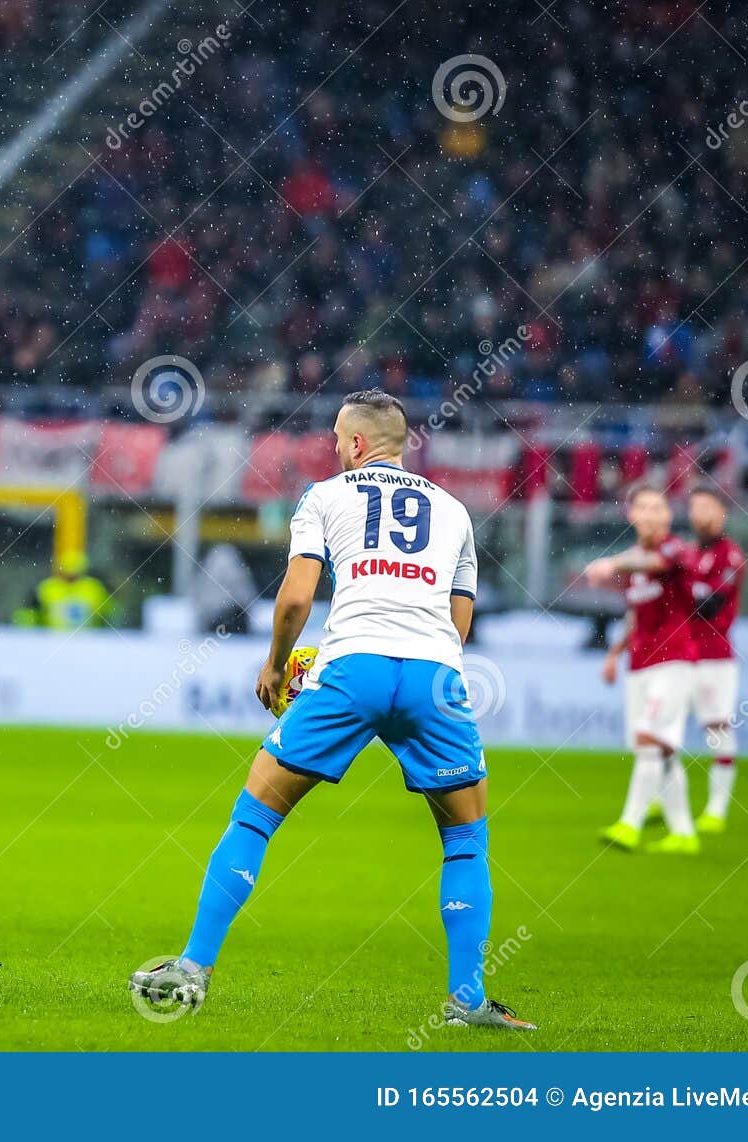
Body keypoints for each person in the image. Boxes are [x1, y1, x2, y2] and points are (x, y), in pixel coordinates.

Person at [130, 390, 535, 1029]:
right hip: (435, 675)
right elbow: (460, 619)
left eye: (337, 441)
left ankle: (193, 967)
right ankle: (467, 1000)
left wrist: (275, 664)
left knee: (256, 814)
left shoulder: (326, 496)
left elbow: (295, 598)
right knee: (465, 839)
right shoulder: (454, 510)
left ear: (352, 444)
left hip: (353, 669)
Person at [586, 485, 700, 854]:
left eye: (658, 508)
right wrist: (614, 653)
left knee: (651, 742)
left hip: (675, 661)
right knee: (660, 750)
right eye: (643, 508)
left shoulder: (675, 550)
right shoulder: (635, 565)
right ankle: (684, 833)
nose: (651, 515)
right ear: (631, 515)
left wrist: (612, 563)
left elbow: (653, 563)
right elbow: (635, 614)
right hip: (641, 663)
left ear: (668, 515)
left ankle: (630, 825)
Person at [685, 485, 745, 833]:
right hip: (682, 656)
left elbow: (712, 604)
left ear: (722, 513)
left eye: (707, 508)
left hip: (715, 657)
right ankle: (663, 803)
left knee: (717, 727)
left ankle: (716, 810)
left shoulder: (730, 555)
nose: (699, 515)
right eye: (694, 508)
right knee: (663, 730)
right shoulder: (689, 554)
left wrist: (683, 592)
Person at [15, 550, 116, 629]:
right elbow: (29, 614)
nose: (71, 576)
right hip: (52, 640)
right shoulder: (47, 588)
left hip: (86, 641)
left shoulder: (94, 588)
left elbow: (111, 613)